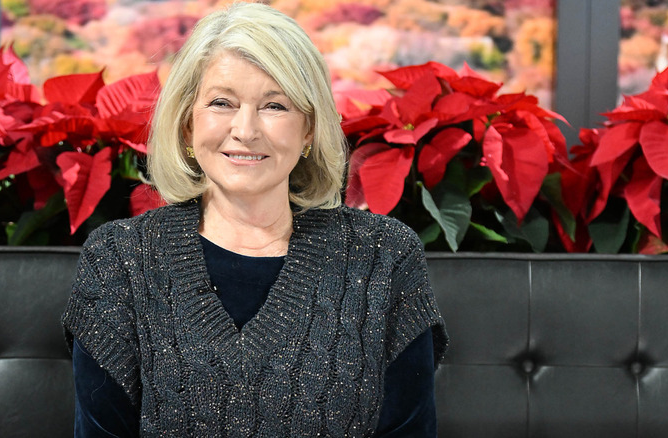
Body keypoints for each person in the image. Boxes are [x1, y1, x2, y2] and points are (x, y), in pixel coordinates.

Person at [62, 3, 448, 437]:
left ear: (308, 129)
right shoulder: (120, 260)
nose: (245, 130)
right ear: (188, 125)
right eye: (222, 102)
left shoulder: (384, 257)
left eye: (275, 105)